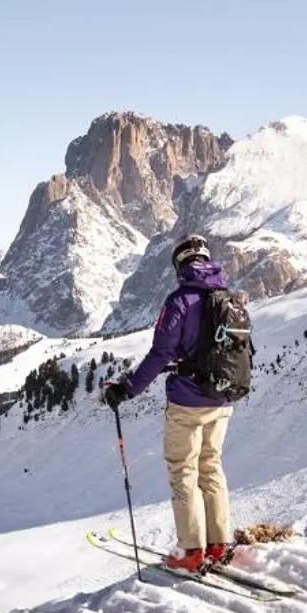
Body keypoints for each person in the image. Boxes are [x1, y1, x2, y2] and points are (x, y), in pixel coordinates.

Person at [102, 233, 250, 571]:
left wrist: (127, 388)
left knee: (184, 471)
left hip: (187, 402)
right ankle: (218, 544)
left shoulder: (180, 301)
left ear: (180, 264)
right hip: (223, 398)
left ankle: (191, 552)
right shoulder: (228, 297)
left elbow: (161, 352)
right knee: (211, 469)